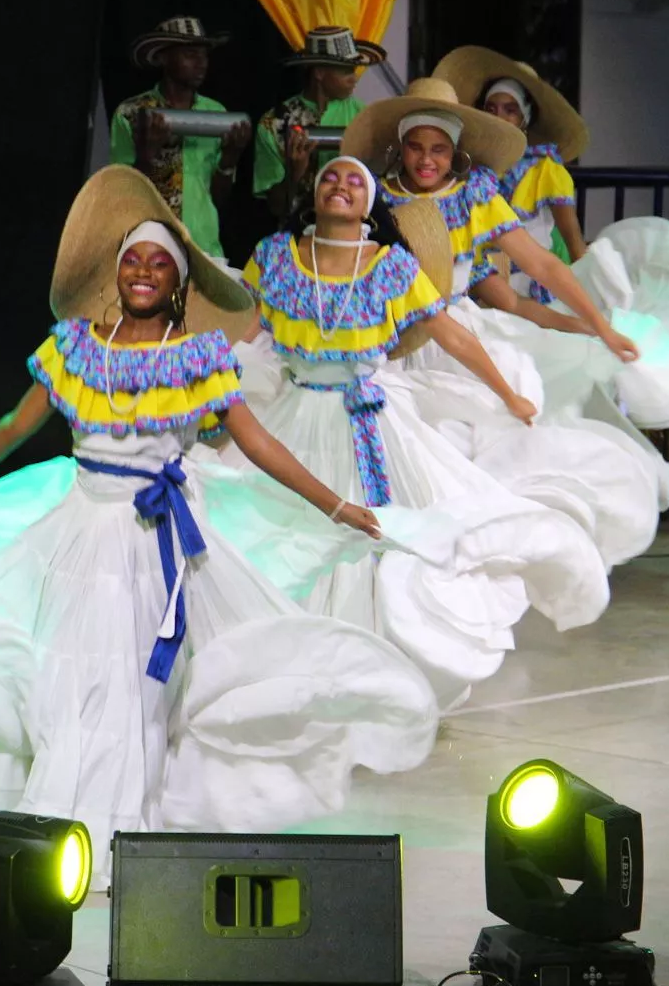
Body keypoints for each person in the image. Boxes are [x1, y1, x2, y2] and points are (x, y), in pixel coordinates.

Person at [0, 166, 439, 886]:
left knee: (140, 682)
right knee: (68, 674)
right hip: (83, 531)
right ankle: (62, 817)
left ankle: (127, 826)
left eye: (159, 263)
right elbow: (15, 423)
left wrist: (334, 503)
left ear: (179, 282)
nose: (144, 272)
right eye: (132, 259)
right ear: (115, 272)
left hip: (158, 543)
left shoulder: (197, 356)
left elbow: (257, 441)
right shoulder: (76, 346)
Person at [200, 154, 612, 707]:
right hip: (296, 413)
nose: (339, 185)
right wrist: (203, 387)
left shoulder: (390, 266)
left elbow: (452, 335)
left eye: (354, 180)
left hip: (369, 420)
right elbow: (246, 332)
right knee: (282, 530)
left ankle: (379, 667)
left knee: (380, 534)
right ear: (313, 196)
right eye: (329, 177)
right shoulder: (276, 258)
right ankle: (298, 668)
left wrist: (506, 391)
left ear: (370, 205)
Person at [341, 78, 669, 566]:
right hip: (384, 342)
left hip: (451, 340)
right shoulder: (376, 197)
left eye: (439, 149)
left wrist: (597, 326)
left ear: (456, 152)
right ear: (400, 147)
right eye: (416, 148)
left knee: (463, 446)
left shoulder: (473, 196)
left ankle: (454, 557)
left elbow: (542, 268)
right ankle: (391, 555)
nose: (427, 160)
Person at [432, 47, 589, 302]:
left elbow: (574, 243)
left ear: (524, 119)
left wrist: (590, 303)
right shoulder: (472, 166)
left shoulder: (545, 169)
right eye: (491, 108)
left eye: (510, 110)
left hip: (529, 289)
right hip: (477, 285)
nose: (499, 117)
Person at [111, 16, 252, 261]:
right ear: (164, 58)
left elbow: (218, 199)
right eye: (190, 54)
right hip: (151, 250)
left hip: (205, 248)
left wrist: (230, 159)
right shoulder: (132, 114)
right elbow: (124, 195)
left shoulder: (216, 115)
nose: (201, 63)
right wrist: (148, 154)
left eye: (204, 55)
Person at [255, 25, 381, 224]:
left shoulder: (366, 118)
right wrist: (294, 173)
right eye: (346, 70)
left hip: (351, 237)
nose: (354, 78)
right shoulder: (274, 123)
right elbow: (276, 207)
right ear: (320, 73)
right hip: (296, 241)